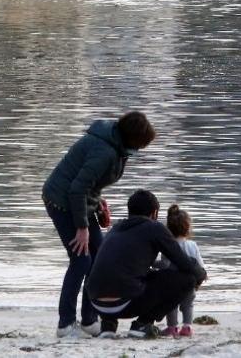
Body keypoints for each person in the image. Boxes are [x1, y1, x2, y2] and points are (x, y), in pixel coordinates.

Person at [43, 112, 157, 338]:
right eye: (142, 143)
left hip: (79, 200)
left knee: (100, 258)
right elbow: (77, 189)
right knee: (81, 260)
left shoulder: (116, 145)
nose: (142, 149)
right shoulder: (104, 151)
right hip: (61, 201)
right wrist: (82, 227)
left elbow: (89, 185)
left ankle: (89, 320)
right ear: (132, 138)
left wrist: (98, 203)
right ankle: (65, 324)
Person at [86, 190, 207, 339]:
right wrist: (201, 274)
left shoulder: (115, 229)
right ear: (154, 213)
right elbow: (183, 262)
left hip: (97, 302)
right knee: (188, 279)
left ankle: (108, 326)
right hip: (126, 303)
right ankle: (143, 323)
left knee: (121, 273)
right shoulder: (154, 228)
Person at [158, 205, 205, 338]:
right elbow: (200, 266)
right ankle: (187, 327)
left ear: (169, 229)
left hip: (172, 284)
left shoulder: (168, 246)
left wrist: (152, 265)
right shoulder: (193, 245)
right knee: (188, 304)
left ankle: (172, 327)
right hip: (190, 283)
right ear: (187, 228)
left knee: (171, 305)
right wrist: (198, 282)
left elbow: (164, 264)